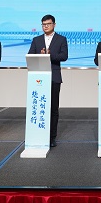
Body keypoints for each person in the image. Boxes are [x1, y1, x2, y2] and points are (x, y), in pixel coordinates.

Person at [28, 14, 68, 148]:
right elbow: (30, 56)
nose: (46, 26)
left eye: (48, 24)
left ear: (54, 25)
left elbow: (64, 56)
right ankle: (38, 134)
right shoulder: (36, 40)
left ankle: (52, 137)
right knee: (39, 106)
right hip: (39, 78)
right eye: (43, 24)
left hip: (54, 77)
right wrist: (40, 56)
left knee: (53, 108)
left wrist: (49, 56)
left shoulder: (61, 39)